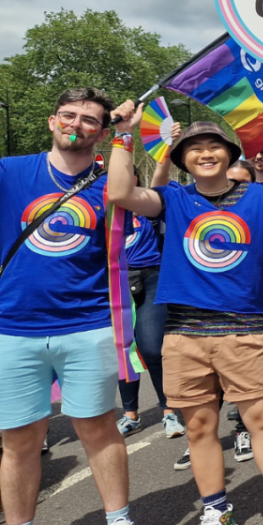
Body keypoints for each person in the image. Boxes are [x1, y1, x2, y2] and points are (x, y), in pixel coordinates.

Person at [107, 112, 263, 525]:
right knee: (199, 426)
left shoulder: (261, 200)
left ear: (230, 154)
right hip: (183, 333)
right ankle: (216, 517)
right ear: (182, 159)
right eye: (194, 148)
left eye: (214, 146)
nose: (205, 153)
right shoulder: (173, 198)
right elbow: (118, 193)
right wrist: (122, 133)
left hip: (243, 327)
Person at [0, 88, 143, 525]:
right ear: (51, 120)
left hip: (87, 324)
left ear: (102, 132)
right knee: (18, 441)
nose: (77, 125)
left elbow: (145, 196)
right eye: (69, 116)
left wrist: (130, 135)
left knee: (98, 429)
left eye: (90, 121)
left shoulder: (108, 183)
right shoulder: (9, 171)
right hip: (12, 327)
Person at [115, 132, 187, 443]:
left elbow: (159, 179)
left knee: (152, 348)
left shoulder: (147, 205)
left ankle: (168, 411)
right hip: (116, 282)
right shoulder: (103, 214)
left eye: (129, 179)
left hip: (152, 277)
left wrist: (168, 146)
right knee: (120, 351)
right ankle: (130, 415)